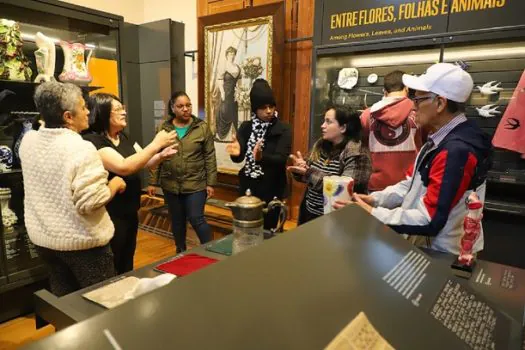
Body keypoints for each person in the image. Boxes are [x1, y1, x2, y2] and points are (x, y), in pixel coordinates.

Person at [335, 63, 492, 255]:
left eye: (418, 100)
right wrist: (374, 200)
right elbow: (410, 185)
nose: (413, 106)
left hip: (444, 253)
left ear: (440, 103)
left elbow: (429, 219)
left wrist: (373, 213)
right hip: (429, 245)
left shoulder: (455, 150)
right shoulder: (438, 139)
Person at [19, 81, 127, 296]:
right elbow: (90, 202)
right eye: (83, 106)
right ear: (68, 116)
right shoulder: (81, 148)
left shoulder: (28, 141)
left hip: (44, 240)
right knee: (102, 302)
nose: (88, 111)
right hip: (82, 244)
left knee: (66, 302)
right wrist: (114, 185)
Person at [83, 93, 177, 274]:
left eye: (123, 108)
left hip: (130, 210)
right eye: (117, 109)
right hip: (110, 214)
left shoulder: (124, 138)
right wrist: (156, 144)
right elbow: (124, 167)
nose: (124, 112)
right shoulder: (93, 141)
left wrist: (160, 156)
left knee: (127, 258)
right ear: (103, 113)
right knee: (113, 260)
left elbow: (145, 161)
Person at [148, 92, 217, 253]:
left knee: (196, 217)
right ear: (172, 108)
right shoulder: (163, 129)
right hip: (170, 184)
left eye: (188, 105)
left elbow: (210, 156)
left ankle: (212, 250)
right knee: (177, 221)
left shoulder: (201, 127)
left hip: (196, 183)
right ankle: (180, 251)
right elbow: (156, 155)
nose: (186, 109)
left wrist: (211, 183)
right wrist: (152, 181)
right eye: (180, 106)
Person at [226, 79, 292, 230]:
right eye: (263, 107)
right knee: (246, 229)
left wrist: (262, 158)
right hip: (248, 187)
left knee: (269, 231)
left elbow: (281, 159)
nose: (269, 111)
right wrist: (235, 153)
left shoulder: (283, 129)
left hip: (272, 188)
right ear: (255, 109)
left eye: (271, 106)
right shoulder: (246, 127)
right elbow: (240, 158)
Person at [289, 105, 371, 225]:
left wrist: (308, 173)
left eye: (328, 122)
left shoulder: (357, 153)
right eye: (324, 121)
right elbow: (309, 176)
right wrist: (301, 169)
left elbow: (343, 190)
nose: (322, 126)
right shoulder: (321, 145)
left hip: (338, 220)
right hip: (310, 213)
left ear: (343, 127)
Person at [360, 70, 422, 192]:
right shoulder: (419, 114)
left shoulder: (367, 115)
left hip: (377, 185)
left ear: (384, 91)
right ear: (407, 88)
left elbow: (363, 145)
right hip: (409, 185)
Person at [216, 46, 241, 141]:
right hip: (226, 91)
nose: (232, 55)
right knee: (224, 111)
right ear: (226, 55)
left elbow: (239, 82)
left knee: (233, 111)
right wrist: (222, 92)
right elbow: (219, 80)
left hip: (233, 93)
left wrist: (238, 93)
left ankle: (233, 135)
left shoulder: (237, 67)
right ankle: (223, 136)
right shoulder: (224, 66)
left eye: (233, 54)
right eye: (230, 54)